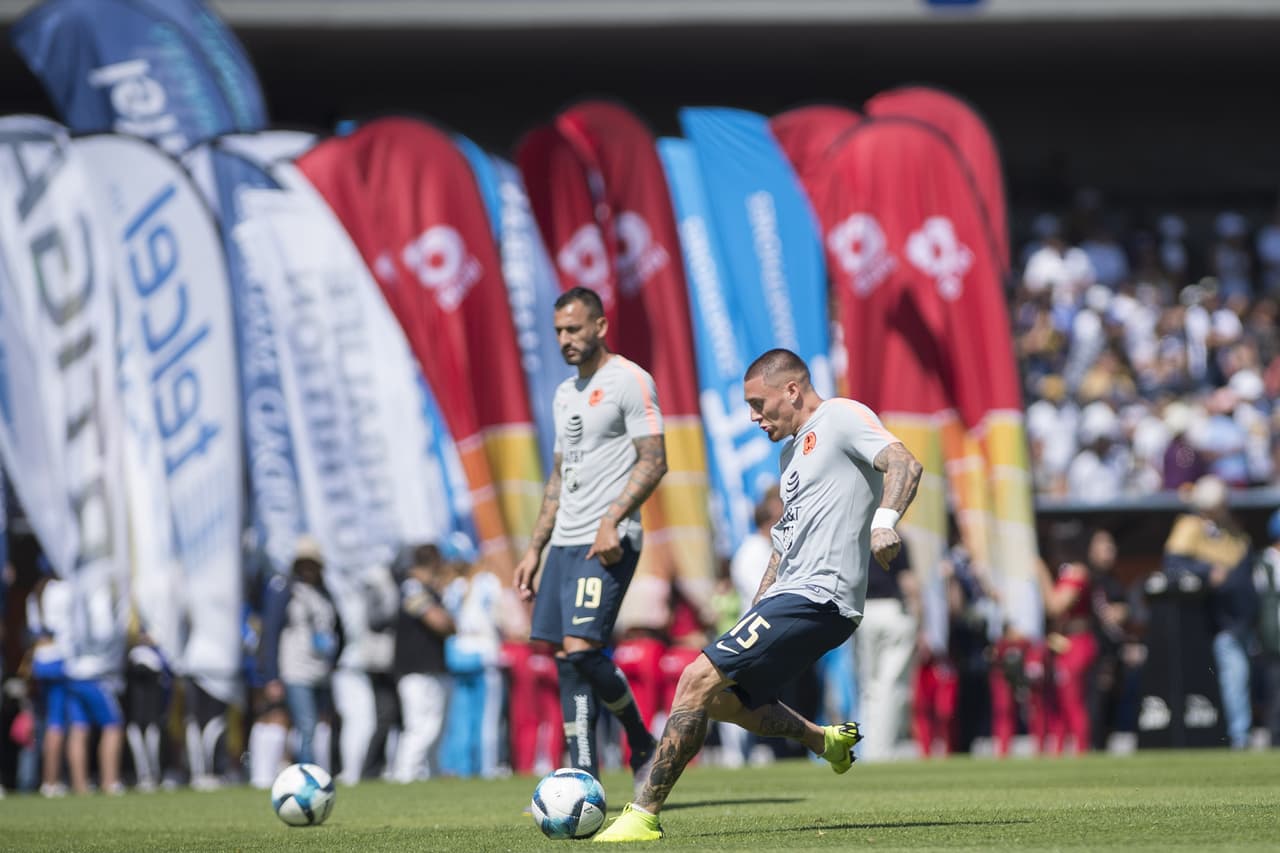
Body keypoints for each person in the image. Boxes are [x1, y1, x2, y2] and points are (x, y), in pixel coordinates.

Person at [595, 348, 923, 842]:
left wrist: (883, 524)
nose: (752, 417)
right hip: (789, 596)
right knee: (721, 701)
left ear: (791, 390)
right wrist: (759, 604)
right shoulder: (791, 453)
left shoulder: (842, 416)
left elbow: (904, 463)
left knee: (693, 679)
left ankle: (641, 815)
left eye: (757, 403)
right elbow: (785, 541)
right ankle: (823, 739)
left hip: (820, 595)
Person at [513, 287, 665, 788]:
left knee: (581, 647)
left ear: (599, 326)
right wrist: (535, 548)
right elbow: (560, 476)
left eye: (574, 329)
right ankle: (584, 773)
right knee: (565, 657)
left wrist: (613, 517)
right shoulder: (564, 394)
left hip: (610, 539)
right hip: (564, 542)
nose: (565, 339)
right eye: (558, 330)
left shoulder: (630, 381)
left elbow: (654, 459)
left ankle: (641, 739)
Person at [1161, 475, 1253, 748]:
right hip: (1204, 621)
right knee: (1232, 675)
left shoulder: (1233, 533)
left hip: (1234, 619)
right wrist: (1206, 572)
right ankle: (1236, 735)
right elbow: (1173, 565)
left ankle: (1236, 734)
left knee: (1235, 676)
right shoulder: (1190, 527)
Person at [262, 537, 342, 769]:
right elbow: (271, 633)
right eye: (304, 564)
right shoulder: (286, 591)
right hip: (296, 670)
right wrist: (271, 675)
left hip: (321, 671)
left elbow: (339, 630)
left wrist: (334, 660)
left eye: (312, 564)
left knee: (321, 726)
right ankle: (307, 776)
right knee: (306, 726)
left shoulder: (325, 595)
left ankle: (321, 770)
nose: (308, 569)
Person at [391, 543, 454, 783]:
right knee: (420, 727)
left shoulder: (427, 589)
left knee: (434, 728)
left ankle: (430, 776)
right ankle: (405, 777)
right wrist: (449, 622)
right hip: (416, 669)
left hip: (430, 667)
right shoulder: (412, 587)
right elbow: (440, 622)